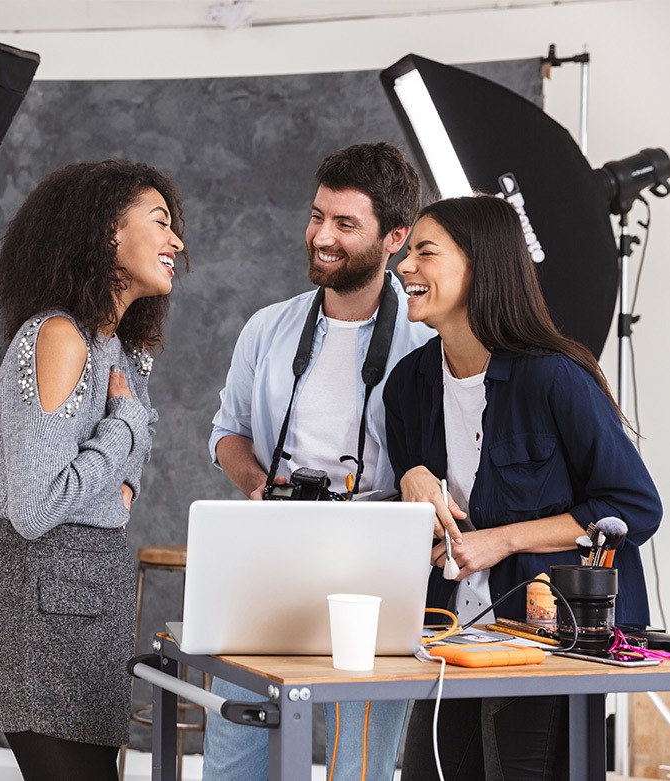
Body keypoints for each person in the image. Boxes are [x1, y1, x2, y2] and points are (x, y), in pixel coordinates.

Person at [383, 194, 662, 780]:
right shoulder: (407, 384)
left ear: (480, 266)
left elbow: (631, 506)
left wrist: (502, 540)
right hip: (448, 639)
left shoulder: (555, 376)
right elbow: (412, 482)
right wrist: (410, 473)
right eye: (408, 254)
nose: (404, 266)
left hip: (546, 641)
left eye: (425, 252)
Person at [205, 142, 433, 780]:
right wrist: (256, 485)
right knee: (235, 755)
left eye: (344, 224)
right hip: (272, 550)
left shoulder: (426, 339)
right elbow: (229, 432)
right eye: (316, 217)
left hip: (381, 562)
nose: (321, 237)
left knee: (360, 765)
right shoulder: (267, 328)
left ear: (395, 238)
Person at [0, 159, 186, 781]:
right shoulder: (59, 336)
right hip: (42, 617)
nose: (176, 241)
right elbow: (36, 509)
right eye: (160, 222)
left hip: (95, 610)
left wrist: (119, 473)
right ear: (106, 234)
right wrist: (119, 427)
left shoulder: (119, 347)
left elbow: (126, 478)